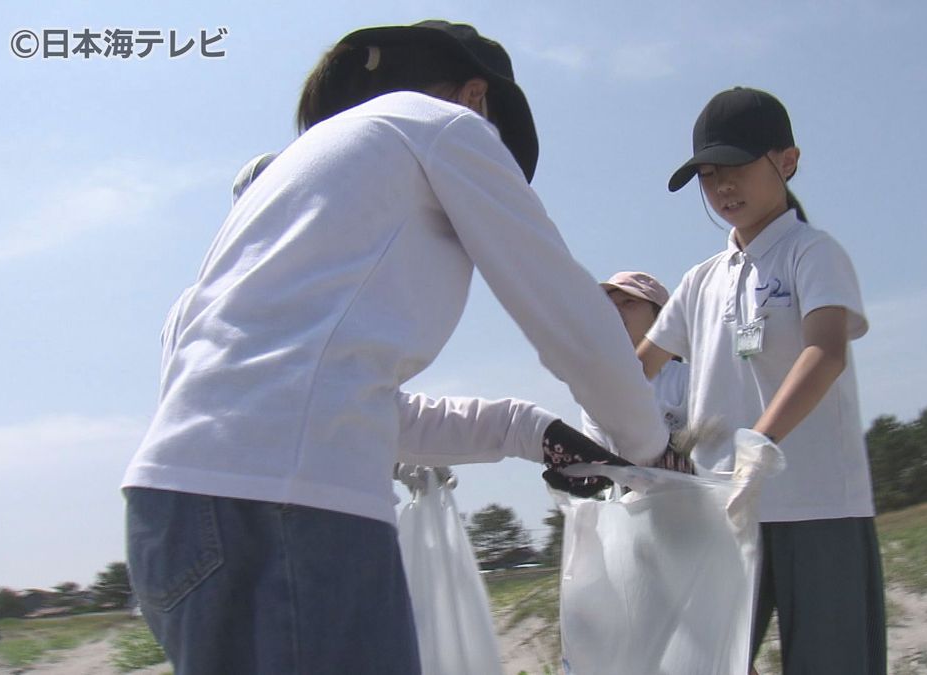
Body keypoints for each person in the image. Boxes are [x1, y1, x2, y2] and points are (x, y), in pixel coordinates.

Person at [121, 20, 667, 674]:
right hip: (287, 515)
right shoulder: (444, 126)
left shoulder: (281, 190)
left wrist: (527, 428)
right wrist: (650, 451)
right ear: (474, 97)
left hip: (171, 516)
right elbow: (570, 314)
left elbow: (338, 403)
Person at [638, 87, 886, 673]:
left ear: (787, 160)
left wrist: (759, 445)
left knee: (834, 661)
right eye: (708, 173)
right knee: (708, 661)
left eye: (738, 166)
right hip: (723, 509)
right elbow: (639, 365)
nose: (723, 186)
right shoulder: (701, 280)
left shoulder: (812, 253)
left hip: (820, 505)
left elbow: (825, 353)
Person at [580, 272, 691, 467]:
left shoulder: (689, 379)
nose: (616, 312)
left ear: (661, 317)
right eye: (608, 307)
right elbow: (598, 465)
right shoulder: (598, 393)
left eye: (628, 302)